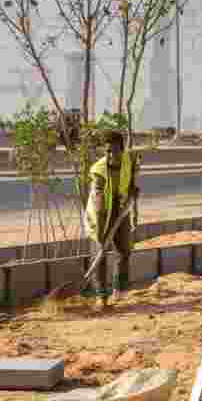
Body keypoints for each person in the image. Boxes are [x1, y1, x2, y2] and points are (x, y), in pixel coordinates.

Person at [84, 130, 139, 308]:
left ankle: (120, 290)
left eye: (114, 150)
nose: (110, 155)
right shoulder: (98, 170)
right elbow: (99, 203)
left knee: (124, 250)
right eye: (107, 151)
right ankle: (101, 296)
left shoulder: (128, 161)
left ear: (121, 150)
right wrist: (101, 233)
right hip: (99, 212)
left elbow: (132, 180)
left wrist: (132, 191)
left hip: (120, 208)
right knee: (100, 254)